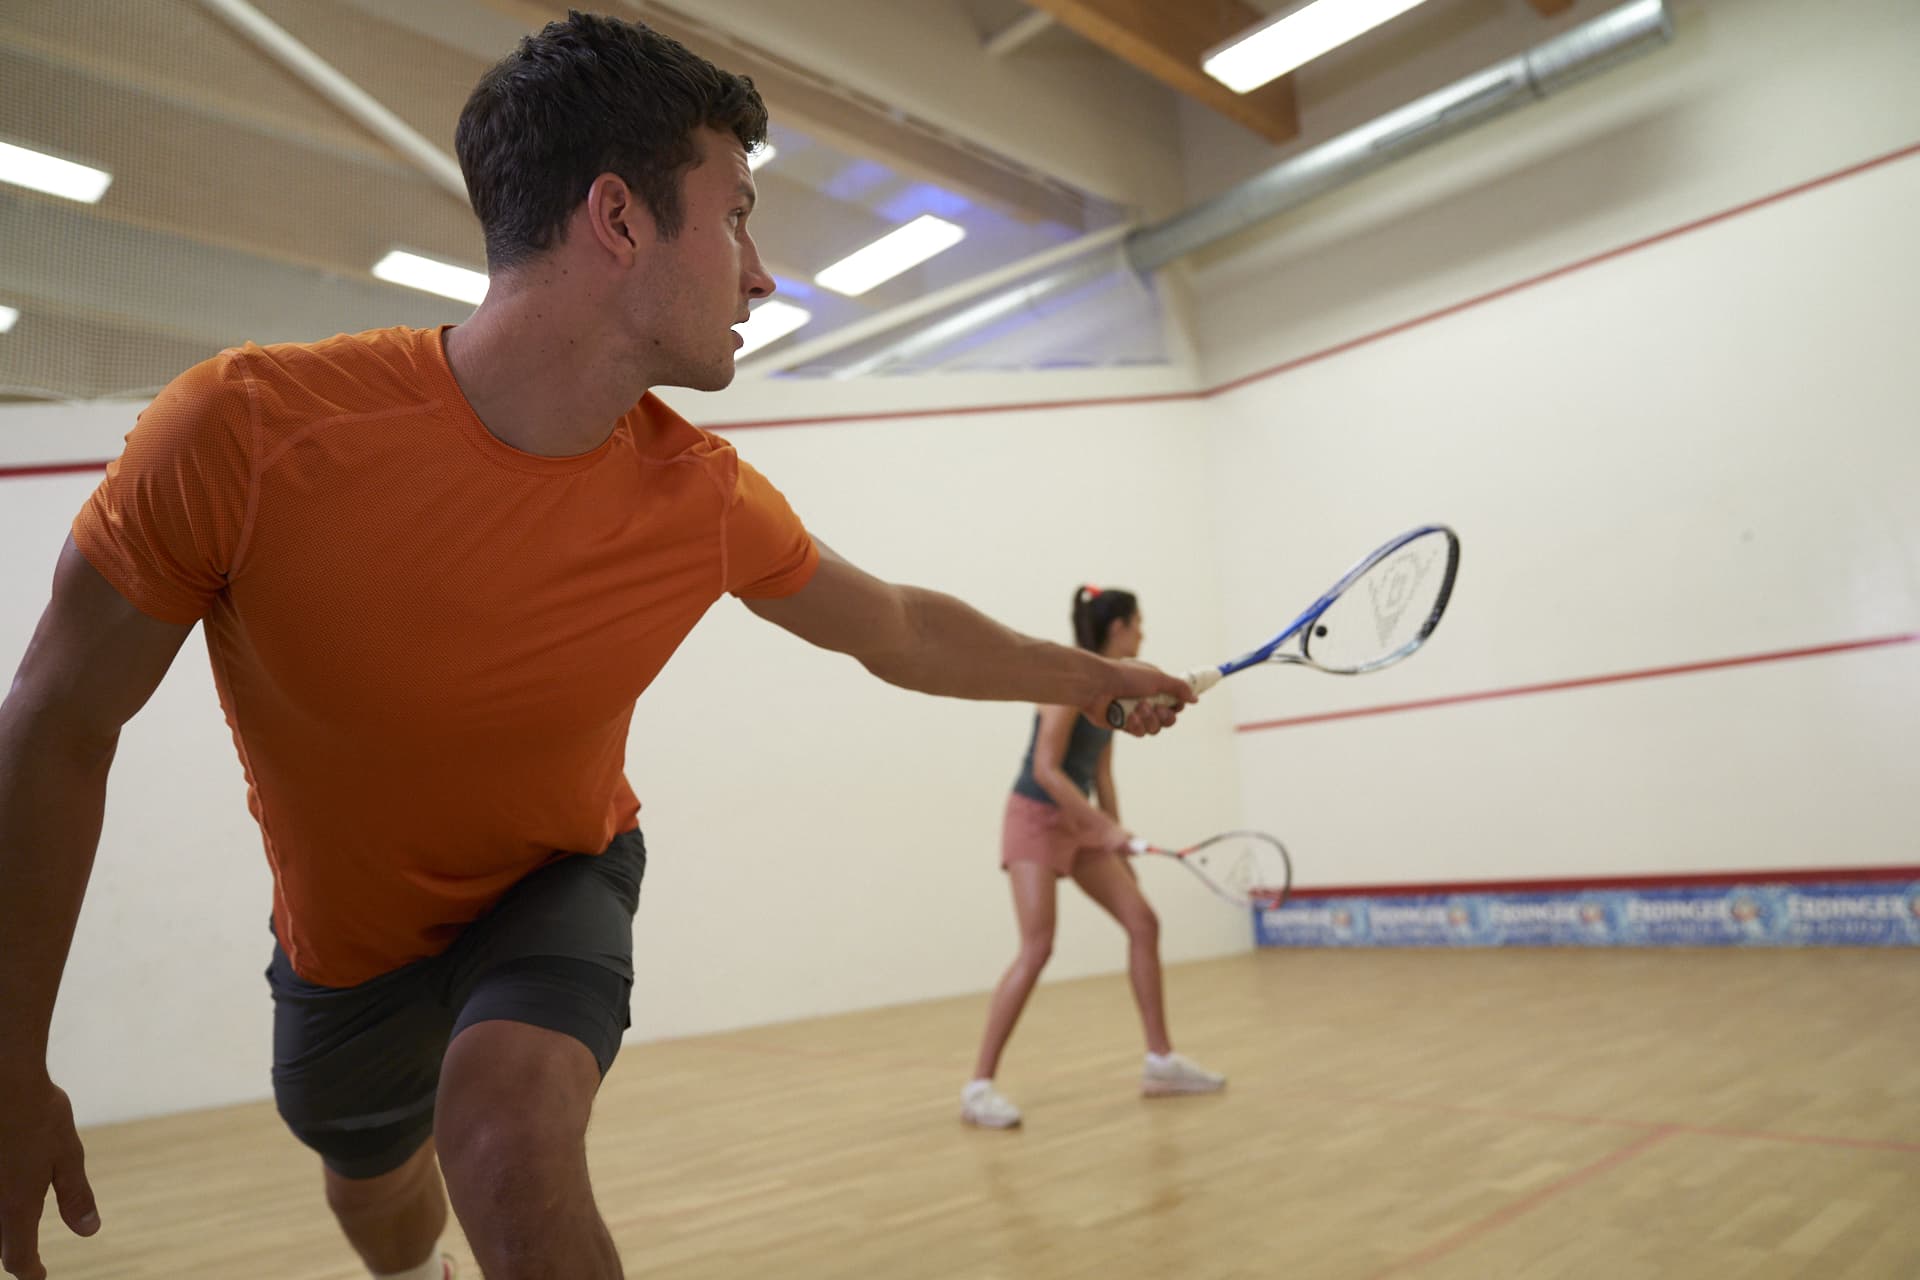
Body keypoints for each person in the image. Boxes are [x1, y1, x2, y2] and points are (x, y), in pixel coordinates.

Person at [0, 15, 1193, 1280]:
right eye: (735, 215)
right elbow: (59, 721)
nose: (763, 274)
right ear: (618, 219)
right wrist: (10, 1056)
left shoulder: (702, 494)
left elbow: (892, 625)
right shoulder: (243, 434)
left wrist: (1098, 680)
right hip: (344, 960)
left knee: (507, 1127)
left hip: (558, 877)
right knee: (385, 1210)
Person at [960, 586, 1224, 1130]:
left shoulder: (1115, 688)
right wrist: (1102, 826)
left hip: (1080, 824)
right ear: (1117, 628)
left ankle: (1160, 1062)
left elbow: (1101, 771)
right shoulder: (1067, 680)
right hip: (1035, 816)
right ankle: (978, 1086)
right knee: (1037, 947)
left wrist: (1115, 838)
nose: (1144, 634)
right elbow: (1046, 768)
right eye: (1139, 623)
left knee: (1143, 922)